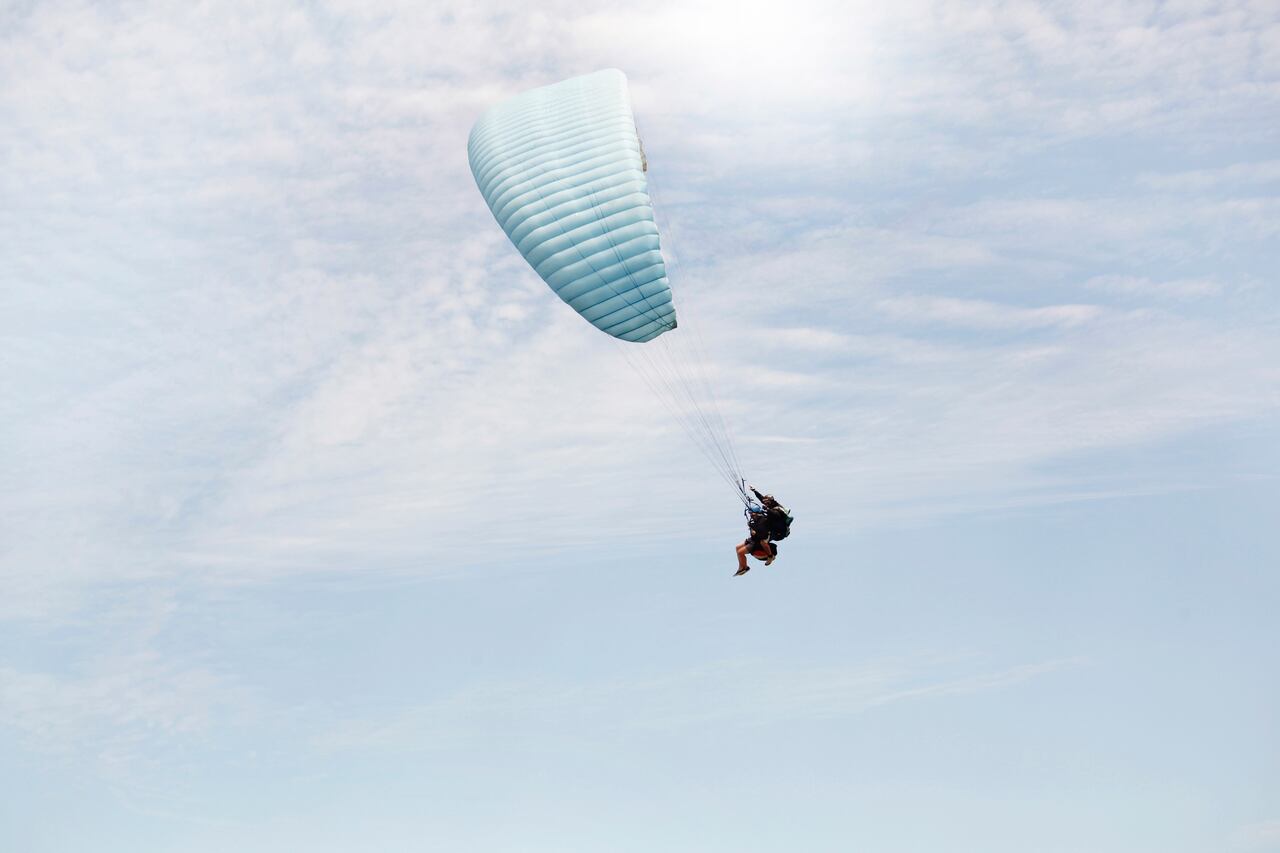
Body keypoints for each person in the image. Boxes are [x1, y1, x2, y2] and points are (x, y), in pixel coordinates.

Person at [733, 486, 791, 576]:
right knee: (738, 548)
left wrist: (767, 511)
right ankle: (743, 567)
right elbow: (761, 498)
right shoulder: (764, 510)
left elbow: (774, 516)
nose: (764, 502)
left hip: (777, 532)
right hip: (764, 532)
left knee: (763, 542)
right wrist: (754, 491)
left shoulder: (776, 509)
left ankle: (770, 556)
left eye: (767, 501)